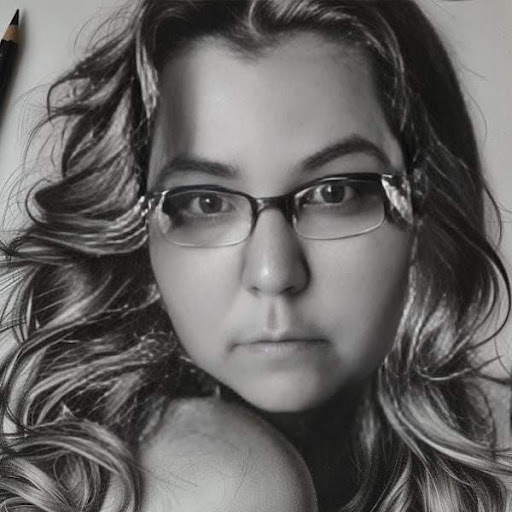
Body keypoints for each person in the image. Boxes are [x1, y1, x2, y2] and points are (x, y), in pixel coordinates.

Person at [1, 0, 512, 510]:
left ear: (423, 203)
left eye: (334, 193)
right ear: (134, 226)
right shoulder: (156, 483)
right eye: (206, 202)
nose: (273, 273)